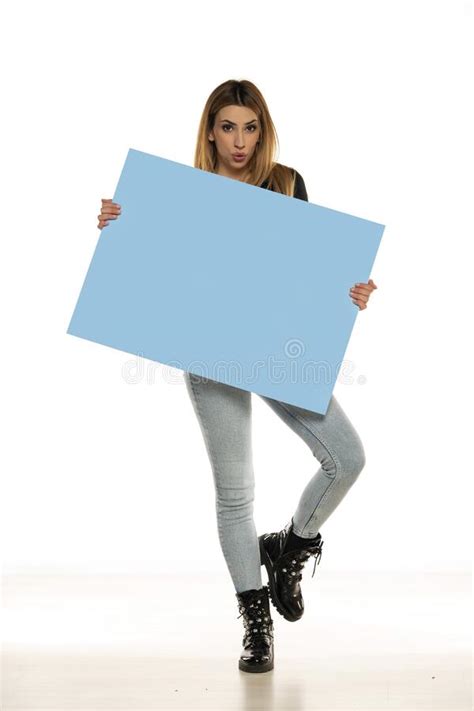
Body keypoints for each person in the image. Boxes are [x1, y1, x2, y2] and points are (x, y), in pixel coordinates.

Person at [97, 79, 378, 674]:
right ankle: (256, 622)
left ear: (263, 129)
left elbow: (310, 269)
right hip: (210, 351)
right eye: (228, 127)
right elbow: (150, 270)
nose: (239, 141)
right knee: (235, 493)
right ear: (210, 131)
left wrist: (350, 291)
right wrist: (118, 227)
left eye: (250, 127)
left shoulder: (286, 183)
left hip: (279, 345)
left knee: (347, 457)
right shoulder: (182, 193)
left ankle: (290, 546)